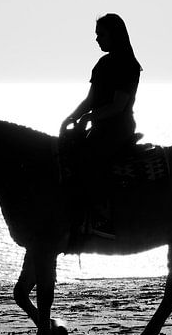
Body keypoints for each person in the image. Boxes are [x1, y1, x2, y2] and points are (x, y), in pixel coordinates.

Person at [60, 13, 142, 237]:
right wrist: (71, 117)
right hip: (100, 126)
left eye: (101, 34)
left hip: (119, 128)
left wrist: (87, 119)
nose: (97, 39)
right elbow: (90, 100)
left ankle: (103, 217)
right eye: (97, 35)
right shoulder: (102, 64)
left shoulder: (128, 65)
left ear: (114, 35)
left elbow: (118, 106)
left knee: (90, 160)